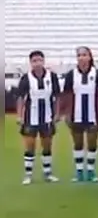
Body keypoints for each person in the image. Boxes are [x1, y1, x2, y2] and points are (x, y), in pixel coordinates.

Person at [18, 50, 61, 185]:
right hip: (31, 117)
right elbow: (21, 98)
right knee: (30, 146)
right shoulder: (26, 78)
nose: (37, 63)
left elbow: (57, 97)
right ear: (31, 63)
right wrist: (19, 116)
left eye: (39, 60)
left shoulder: (52, 76)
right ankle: (28, 175)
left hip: (47, 117)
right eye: (34, 61)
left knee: (47, 146)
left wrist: (57, 113)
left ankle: (47, 174)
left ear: (43, 61)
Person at [61, 46, 98, 182]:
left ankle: (90, 171)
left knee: (92, 144)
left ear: (90, 57)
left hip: (92, 114)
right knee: (78, 144)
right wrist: (66, 113)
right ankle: (79, 171)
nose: (82, 58)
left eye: (84, 55)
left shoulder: (97, 74)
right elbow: (66, 95)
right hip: (75, 114)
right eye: (79, 55)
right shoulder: (71, 75)